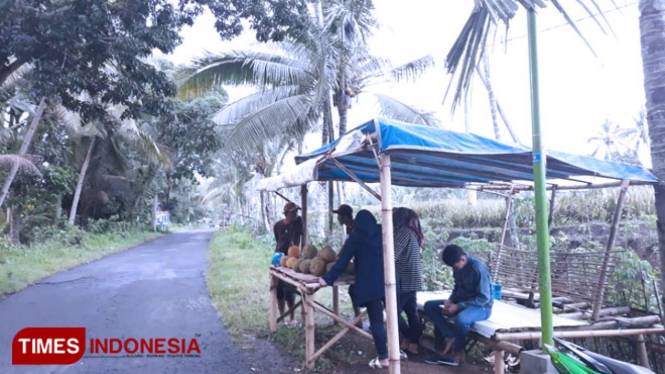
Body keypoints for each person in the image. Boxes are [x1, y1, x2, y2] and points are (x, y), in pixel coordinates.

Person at [318, 210, 400, 369]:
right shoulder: (383, 230)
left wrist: (327, 279)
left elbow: (342, 262)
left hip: (371, 283)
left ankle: (383, 357)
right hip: (390, 280)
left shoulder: (357, 237)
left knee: (376, 321)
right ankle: (397, 351)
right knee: (394, 317)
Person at [423, 244, 493, 367]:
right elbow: (457, 287)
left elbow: (484, 298)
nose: (455, 269)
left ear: (462, 259)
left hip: (481, 307)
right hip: (461, 301)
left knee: (462, 319)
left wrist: (459, 306)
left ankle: (456, 353)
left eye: (455, 266)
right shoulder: (457, 267)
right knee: (429, 306)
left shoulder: (478, 269)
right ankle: (450, 335)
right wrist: (450, 300)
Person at [393, 207, 424, 356]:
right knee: (411, 311)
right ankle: (413, 343)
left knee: (394, 310)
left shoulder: (403, 232)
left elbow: (392, 255)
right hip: (411, 277)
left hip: (405, 278)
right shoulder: (411, 232)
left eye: (395, 216)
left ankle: (408, 337)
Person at [273, 202, 303, 326]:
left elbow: (302, 218)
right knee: (279, 290)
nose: (296, 214)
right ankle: (282, 317)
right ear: (286, 214)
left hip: (293, 259)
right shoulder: (278, 225)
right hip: (279, 258)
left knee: (291, 290)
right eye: (293, 212)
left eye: (296, 212)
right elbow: (277, 239)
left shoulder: (298, 222)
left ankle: (292, 318)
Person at [332, 204, 362, 325]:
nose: (337, 218)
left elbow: (353, 245)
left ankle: (360, 318)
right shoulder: (349, 227)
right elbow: (348, 244)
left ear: (344, 216)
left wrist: (342, 258)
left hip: (364, 263)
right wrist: (339, 256)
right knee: (353, 289)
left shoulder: (356, 227)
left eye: (338, 215)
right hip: (357, 262)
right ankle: (358, 317)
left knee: (354, 289)